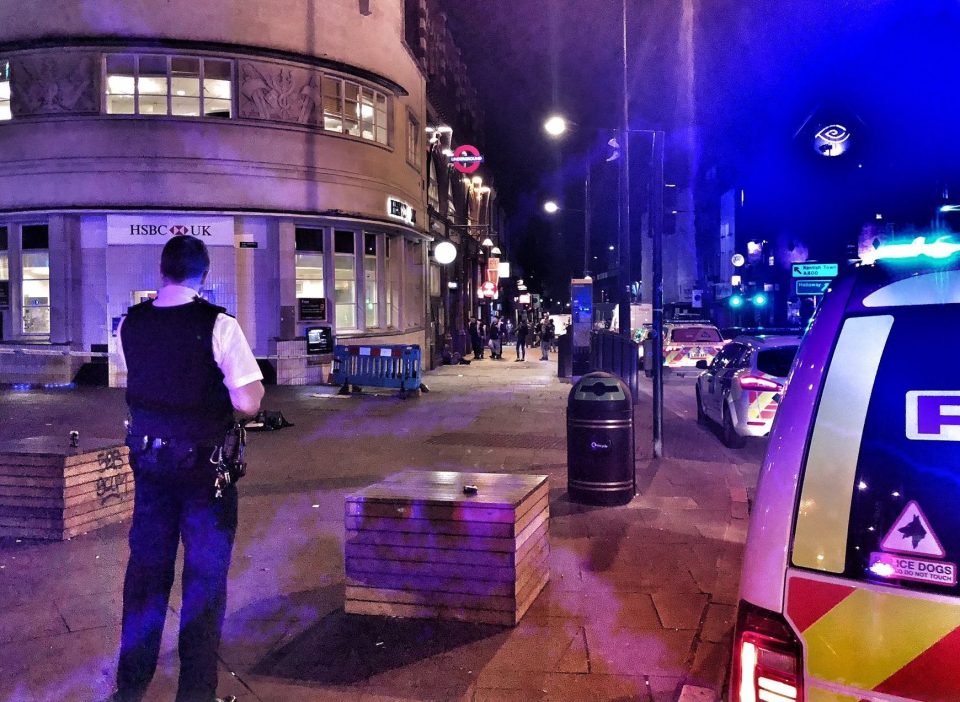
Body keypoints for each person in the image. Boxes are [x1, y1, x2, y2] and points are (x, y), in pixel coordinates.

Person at [107, 235, 264, 702]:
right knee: (203, 584)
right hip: (204, 473)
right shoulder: (219, 324)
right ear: (205, 275)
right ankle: (195, 694)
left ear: (162, 271)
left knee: (145, 578)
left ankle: (130, 688)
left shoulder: (129, 324)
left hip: (150, 466)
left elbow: (128, 377)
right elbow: (249, 401)